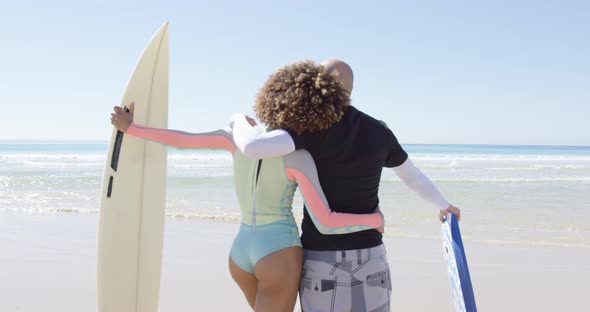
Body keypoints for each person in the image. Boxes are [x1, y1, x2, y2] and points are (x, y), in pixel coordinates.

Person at [109, 63, 384, 312]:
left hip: (241, 252)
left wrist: (131, 128)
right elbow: (325, 220)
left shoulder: (235, 140)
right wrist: (374, 219)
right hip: (278, 252)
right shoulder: (298, 156)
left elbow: (181, 140)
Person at [230, 59, 461, 312]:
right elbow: (412, 176)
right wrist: (444, 205)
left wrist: (237, 120)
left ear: (316, 85)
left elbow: (254, 148)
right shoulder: (378, 130)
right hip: (371, 254)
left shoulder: (307, 129)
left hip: (321, 258)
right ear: (350, 89)